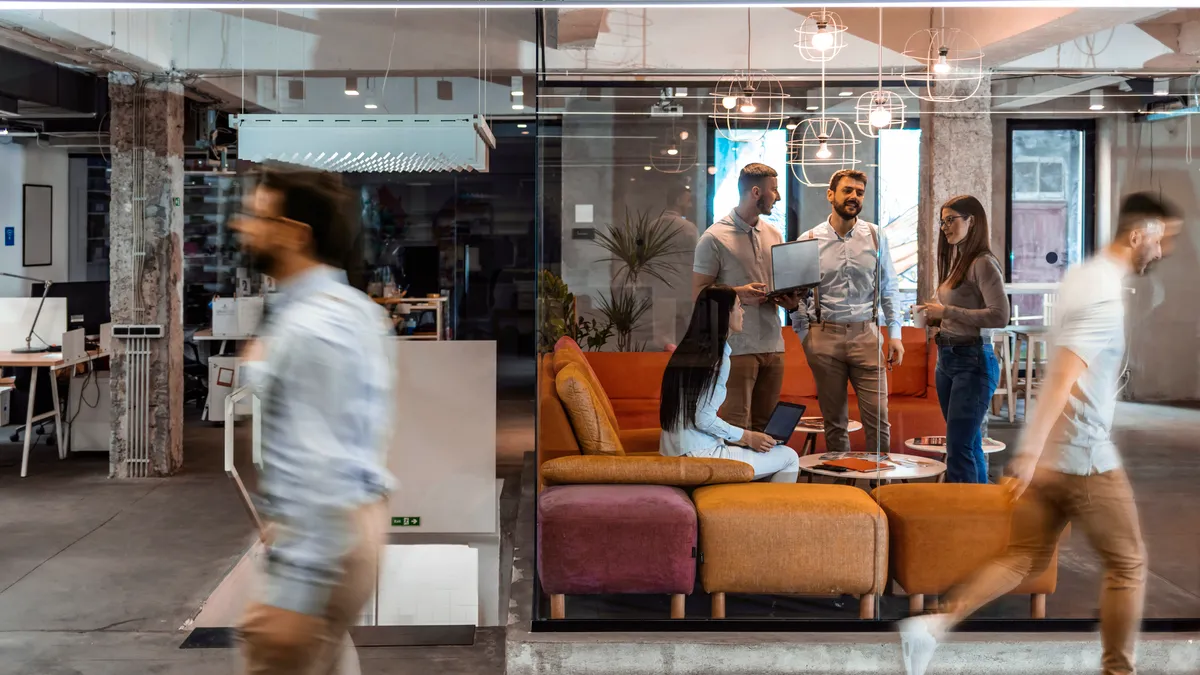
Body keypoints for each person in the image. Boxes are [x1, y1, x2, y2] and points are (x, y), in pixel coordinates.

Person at [899, 192, 1183, 675]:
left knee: (1022, 557)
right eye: (1164, 238)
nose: (1164, 250)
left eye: (951, 220)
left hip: (1053, 450)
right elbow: (1065, 372)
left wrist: (1035, 450)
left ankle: (932, 626)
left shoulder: (1081, 277)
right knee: (1129, 565)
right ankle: (1120, 669)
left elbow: (1035, 348)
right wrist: (1030, 452)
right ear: (1140, 234)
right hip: (1083, 455)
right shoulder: (1103, 291)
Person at [233, 163, 394, 675]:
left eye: (258, 217)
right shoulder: (354, 310)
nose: (244, 226)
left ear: (295, 235)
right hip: (349, 528)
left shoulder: (309, 329)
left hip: (323, 544)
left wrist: (293, 591)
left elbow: (321, 463)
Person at [791, 169, 903, 454]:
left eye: (859, 192)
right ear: (831, 195)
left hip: (866, 334)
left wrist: (896, 334)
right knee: (835, 422)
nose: (854, 196)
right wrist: (805, 334)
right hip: (824, 336)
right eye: (847, 190)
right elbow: (797, 295)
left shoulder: (876, 236)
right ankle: (840, 490)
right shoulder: (809, 238)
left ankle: (880, 487)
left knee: (878, 419)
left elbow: (889, 287)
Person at [693, 163, 801, 432]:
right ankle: (736, 475)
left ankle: (765, 475)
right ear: (756, 192)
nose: (777, 196)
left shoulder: (775, 234)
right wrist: (738, 293)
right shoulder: (713, 237)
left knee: (769, 428)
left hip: (774, 345)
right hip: (736, 347)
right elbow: (698, 294)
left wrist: (791, 301)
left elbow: (778, 283)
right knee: (735, 426)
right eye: (774, 190)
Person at [659, 284, 800, 482]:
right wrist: (748, 437)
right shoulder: (717, 356)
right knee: (789, 457)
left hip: (676, 452)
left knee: (768, 455)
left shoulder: (689, 349)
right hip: (700, 457)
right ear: (726, 313)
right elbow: (703, 418)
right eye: (739, 306)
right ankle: (772, 511)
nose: (743, 313)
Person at [915, 195, 1009, 483]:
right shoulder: (959, 260)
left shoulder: (982, 263)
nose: (944, 227)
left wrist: (947, 311)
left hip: (973, 361)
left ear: (972, 220)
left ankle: (964, 519)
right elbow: (963, 310)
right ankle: (979, 510)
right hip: (948, 358)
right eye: (942, 221)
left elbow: (999, 316)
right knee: (966, 445)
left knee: (960, 447)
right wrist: (937, 316)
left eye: (951, 219)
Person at [651, 184, 700, 348]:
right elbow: (698, 261)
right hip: (683, 289)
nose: (690, 205)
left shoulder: (652, 227)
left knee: (662, 339)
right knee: (685, 337)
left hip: (659, 290)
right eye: (688, 200)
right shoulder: (689, 229)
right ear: (678, 200)